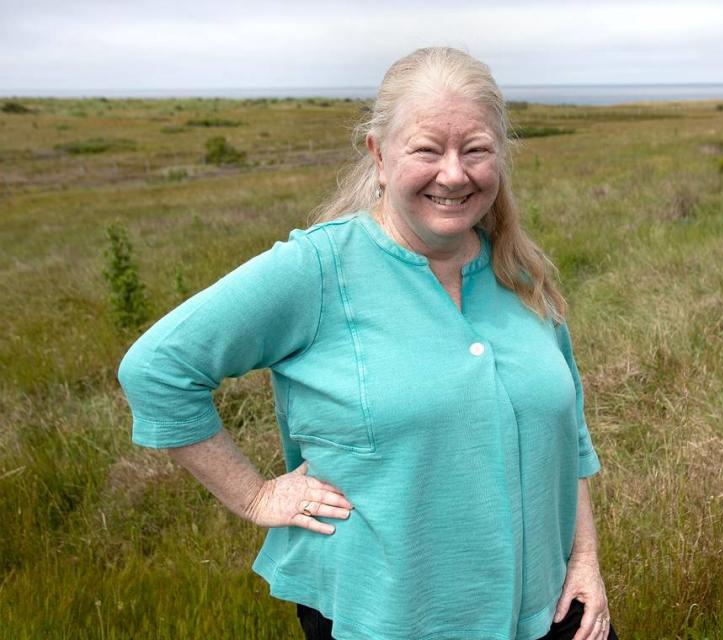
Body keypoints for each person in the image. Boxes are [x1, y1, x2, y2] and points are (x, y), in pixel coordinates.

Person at [118, 47, 617, 640]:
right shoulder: (317, 269)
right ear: (379, 156)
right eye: (427, 149)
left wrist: (584, 558)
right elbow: (157, 369)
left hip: (551, 610)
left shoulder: (520, 273)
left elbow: (568, 432)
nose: (453, 173)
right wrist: (254, 496)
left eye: (476, 149)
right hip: (389, 617)